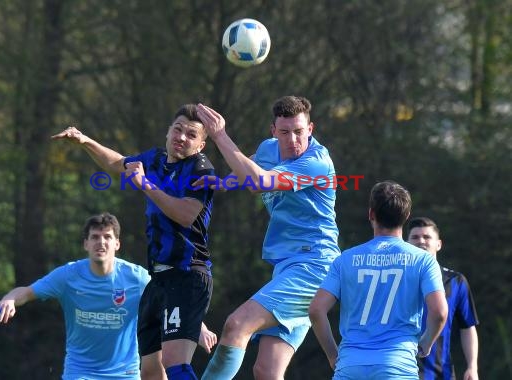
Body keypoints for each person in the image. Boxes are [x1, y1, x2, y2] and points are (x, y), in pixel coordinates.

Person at [51, 104, 216, 380]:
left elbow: (185, 215)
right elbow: (118, 163)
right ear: (168, 131)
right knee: (151, 370)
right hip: (158, 280)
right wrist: (85, 140)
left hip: (187, 275)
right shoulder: (156, 160)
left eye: (191, 134)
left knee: (176, 364)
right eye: (177, 129)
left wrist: (145, 184)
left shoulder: (202, 170)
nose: (182, 137)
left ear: (201, 144)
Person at [195, 96, 341, 380]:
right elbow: (248, 167)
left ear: (310, 128)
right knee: (266, 371)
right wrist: (223, 184)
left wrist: (219, 135)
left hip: (314, 266)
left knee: (236, 325)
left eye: (299, 131)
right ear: (273, 131)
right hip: (288, 268)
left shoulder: (316, 162)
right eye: (285, 132)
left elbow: (260, 182)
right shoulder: (268, 149)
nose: (293, 139)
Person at [308, 181, 449, 380]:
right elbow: (439, 313)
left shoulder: (345, 259)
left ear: (371, 214)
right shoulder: (423, 260)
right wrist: (426, 343)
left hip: (350, 365)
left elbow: (316, 310)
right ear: (406, 216)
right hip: (397, 366)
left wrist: (333, 355)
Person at [0, 213, 150, 379]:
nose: (101, 242)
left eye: (107, 237)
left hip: (124, 373)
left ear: (117, 244)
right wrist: (9, 299)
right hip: (81, 372)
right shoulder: (68, 276)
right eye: (95, 237)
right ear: (86, 244)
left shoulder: (137, 278)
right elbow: (27, 292)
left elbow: (165, 298)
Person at [407, 217, 479, 380]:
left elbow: (467, 327)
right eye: (415, 237)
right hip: (399, 370)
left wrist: (472, 366)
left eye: (427, 237)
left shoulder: (456, 281)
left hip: (440, 373)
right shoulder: (395, 280)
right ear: (406, 244)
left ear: (438, 244)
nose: (421, 241)